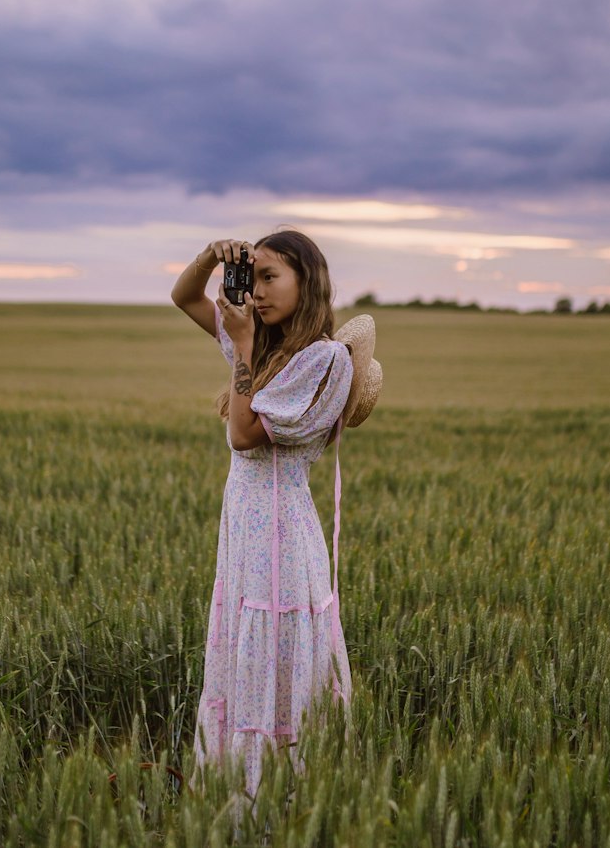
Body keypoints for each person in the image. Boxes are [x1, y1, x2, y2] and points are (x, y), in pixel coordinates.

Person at [170, 229, 356, 798]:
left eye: (271, 277)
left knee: (276, 661)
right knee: (242, 659)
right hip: (244, 535)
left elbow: (245, 436)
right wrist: (212, 256)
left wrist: (245, 344)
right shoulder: (261, 343)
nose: (258, 291)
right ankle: (234, 797)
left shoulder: (324, 362)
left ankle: (278, 801)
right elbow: (184, 297)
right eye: (255, 277)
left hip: (280, 538)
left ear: (309, 280)